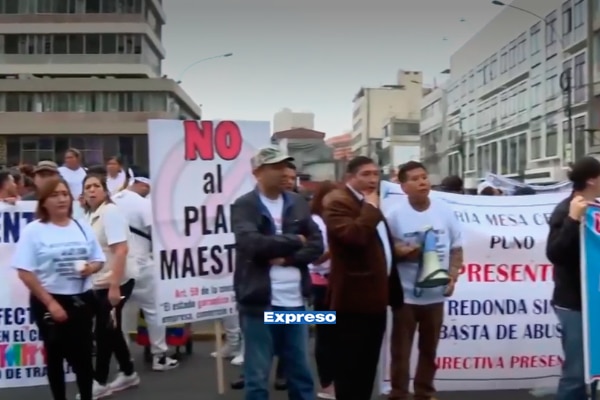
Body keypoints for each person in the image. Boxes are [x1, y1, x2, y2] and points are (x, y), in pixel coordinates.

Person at [232, 146, 323, 400]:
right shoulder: (245, 205)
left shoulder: (297, 202)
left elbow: (317, 244)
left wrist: (287, 258)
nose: (283, 172)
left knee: (300, 372)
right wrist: (296, 239)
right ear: (257, 172)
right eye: (275, 167)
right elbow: (252, 244)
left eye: (285, 166)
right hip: (260, 303)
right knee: (257, 375)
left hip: (295, 302)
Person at [12, 177, 105, 400]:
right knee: (55, 355)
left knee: (83, 358)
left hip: (80, 299)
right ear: (44, 201)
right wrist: (50, 303)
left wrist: (90, 268)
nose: (61, 199)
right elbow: (25, 271)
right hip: (48, 300)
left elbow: (99, 259)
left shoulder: (81, 226)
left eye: (64, 194)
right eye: (54, 195)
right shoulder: (34, 230)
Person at [322, 156, 403, 400]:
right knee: (350, 369)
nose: (372, 179)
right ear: (350, 177)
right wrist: (371, 209)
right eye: (365, 174)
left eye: (376, 174)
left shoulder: (369, 202)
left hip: (375, 299)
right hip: (352, 301)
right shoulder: (338, 201)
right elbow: (354, 237)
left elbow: (377, 245)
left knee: (367, 368)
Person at [385, 161, 463, 400]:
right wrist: (404, 251)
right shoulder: (394, 215)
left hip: (436, 295)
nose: (422, 182)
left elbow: (456, 249)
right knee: (401, 352)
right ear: (403, 186)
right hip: (405, 296)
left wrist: (452, 277)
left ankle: (424, 392)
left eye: (424, 177)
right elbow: (386, 250)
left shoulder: (444, 211)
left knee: (429, 350)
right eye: (415, 179)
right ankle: (399, 393)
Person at [79, 173, 140, 399]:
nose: (92, 190)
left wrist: (115, 286)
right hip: (100, 281)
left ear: (105, 190)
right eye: (88, 187)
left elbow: (120, 250)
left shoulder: (110, 212)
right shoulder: (90, 215)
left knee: (104, 330)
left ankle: (100, 381)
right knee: (110, 329)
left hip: (118, 280)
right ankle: (128, 372)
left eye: (96, 186)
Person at [111, 173, 179, 371]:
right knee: (153, 310)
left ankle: (124, 360)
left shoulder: (111, 201)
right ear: (142, 184)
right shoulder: (143, 204)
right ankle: (159, 356)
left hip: (117, 264)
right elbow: (157, 234)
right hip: (141, 262)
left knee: (121, 314)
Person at [546, 156, 600, 400]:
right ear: (592, 180)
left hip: (595, 299)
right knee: (577, 372)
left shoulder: (596, 209)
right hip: (574, 303)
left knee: (595, 370)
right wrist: (572, 220)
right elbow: (555, 253)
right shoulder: (566, 209)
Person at [309, 180, 338, 399]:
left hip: (338, 283)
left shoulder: (334, 220)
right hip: (320, 283)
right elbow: (315, 259)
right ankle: (326, 383)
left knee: (338, 333)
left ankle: (336, 380)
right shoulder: (315, 222)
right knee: (326, 333)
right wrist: (337, 248)